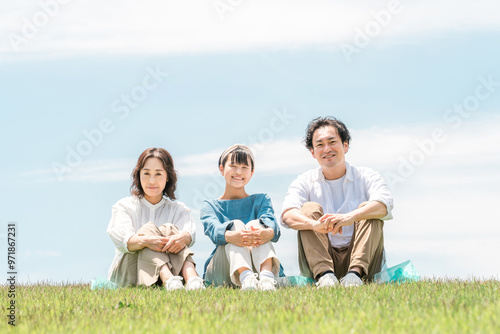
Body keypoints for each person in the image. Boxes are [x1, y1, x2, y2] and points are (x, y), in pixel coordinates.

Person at [281, 117, 394, 288]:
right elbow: (287, 215)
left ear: (345, 145)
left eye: (332, 142)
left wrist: (351, 217)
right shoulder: (304, 181)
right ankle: (326, 277)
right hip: (320, 261)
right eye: (320, 145)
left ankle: (354, 276)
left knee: (368, 209)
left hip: (363, 260)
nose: (327, 149)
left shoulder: (366, 175)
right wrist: (314, 224)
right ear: (313, 152)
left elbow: (384, 204)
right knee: (308, 209)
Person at [107, 147, 205, 291]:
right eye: (146, 173)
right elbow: (122, 240)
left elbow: (189, 234)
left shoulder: (178, 209)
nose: (151, 180)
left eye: (158, 174)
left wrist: (182, 237)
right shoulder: (125, 206)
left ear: (168, 177)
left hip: (174, 271)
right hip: (130, 272)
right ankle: (169, 280)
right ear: (138, 175)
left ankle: (193, 281)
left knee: (171, 229)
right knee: (147, 232)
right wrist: (146, 241)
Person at [201, 144, 281, 291]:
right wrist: (232, 236)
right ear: (221, 169)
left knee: (258, 224)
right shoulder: (210, 205)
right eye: (233, 166)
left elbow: (271, 223)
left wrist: (267, 233)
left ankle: (266, 280)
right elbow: (213, 231)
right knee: (235, 225)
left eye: (244, 167)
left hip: (258, 265)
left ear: (252, 172)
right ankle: (247, 279)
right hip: (222, 272)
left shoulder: (261, 199)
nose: (239, 172)